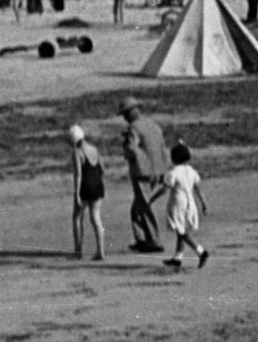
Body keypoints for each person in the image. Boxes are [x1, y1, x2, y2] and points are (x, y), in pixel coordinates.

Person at [118, 97, 168, 252]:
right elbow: (162, 148)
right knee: (137, 208)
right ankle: (141, 238)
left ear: (130, 113)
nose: (124, 117)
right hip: (158, 170)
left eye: (125, 114)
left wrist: (127, 151)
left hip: (142, 172)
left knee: (144, 207)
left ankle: (153, 240)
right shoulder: (154, 125)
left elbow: (131, 148)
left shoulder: (133, 128)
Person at [161, 142, 209, 269]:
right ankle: (178, 257)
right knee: (182, 230)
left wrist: (152, 199)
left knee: (181, 232)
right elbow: (198, 188)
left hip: (178, 204)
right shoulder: (191, 171)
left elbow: (165, 189)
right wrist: (204, 203)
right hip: (190, 203)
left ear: (173, 158)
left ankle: (201, 251)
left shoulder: (173, 172)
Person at [69, 124, 106, 262]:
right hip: (97, 186)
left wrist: (77, 193)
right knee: (96, 218)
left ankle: (78, 252)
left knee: (77, 217)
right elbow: (102, 169)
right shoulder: (94, 149)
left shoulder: (77, 152)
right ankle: (100, 251)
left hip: (85, 187)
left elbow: (78, 174)